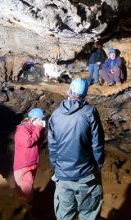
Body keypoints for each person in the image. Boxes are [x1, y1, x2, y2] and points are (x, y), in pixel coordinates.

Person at [48, 78, 105, 220]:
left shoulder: (55, 115)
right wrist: (98, 164)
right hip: (85, 175)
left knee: (65, 215)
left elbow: (53, 147)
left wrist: (57, 168)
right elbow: (97, 143)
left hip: (62, 176)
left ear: (69, 91)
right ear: (85, 94)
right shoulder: (89, 112)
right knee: (89, 214)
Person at [13, 107, 46, 201]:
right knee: (25, 192)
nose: (41, 121)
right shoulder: (22, 129)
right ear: (34, 119)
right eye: (40, 119)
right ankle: (24, 212)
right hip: (23, 166)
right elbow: (28, 142)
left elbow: (39, 141)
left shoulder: (33, 129)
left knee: (28, 190)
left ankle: (26, 210)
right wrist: (38, 128)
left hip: (32, 163)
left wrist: (41, 129)